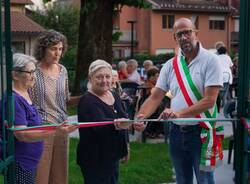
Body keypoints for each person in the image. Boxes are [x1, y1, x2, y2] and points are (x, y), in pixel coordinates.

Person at [136, 18, 223, 184]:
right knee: (182, 181)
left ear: (195, 33)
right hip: (176, 133)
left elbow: (209, 100)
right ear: (174, 38)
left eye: (187, 32)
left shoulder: (211, 61)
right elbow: (155, 96)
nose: (184, 37)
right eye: (179, 34)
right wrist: (141, 117)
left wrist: (178, 113)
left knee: (205, 181)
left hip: (202, 133)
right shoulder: (170, 65)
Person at [0, 53, 76, 184]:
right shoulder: (14, 100)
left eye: (34, 72)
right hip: (21, 163)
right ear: (15, 75)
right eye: (30, 72)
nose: (34, 76)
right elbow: (22, 134)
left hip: (29, 162)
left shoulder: (25, 94)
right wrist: (56, 131)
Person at [29, 30, 80, 184]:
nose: (57, 53)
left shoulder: (63, 70)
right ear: (43, 49)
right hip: (41, 129)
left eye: (60, 48)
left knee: (60, 177)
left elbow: (65, 100)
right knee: (41, 177)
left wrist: (87, 98)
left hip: (62, 129)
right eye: (53, 48)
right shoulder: (32, 71)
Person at [77, 59, 135, 184]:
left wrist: (126, 147)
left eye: (107, 76)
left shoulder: (114, 95)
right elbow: (100, 126)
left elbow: (124, 119)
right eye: (99, 77)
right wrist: (117, 123)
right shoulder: (87, 101)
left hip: (112, 156)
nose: (104, 81)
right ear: (90, 78)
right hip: (95, 159)